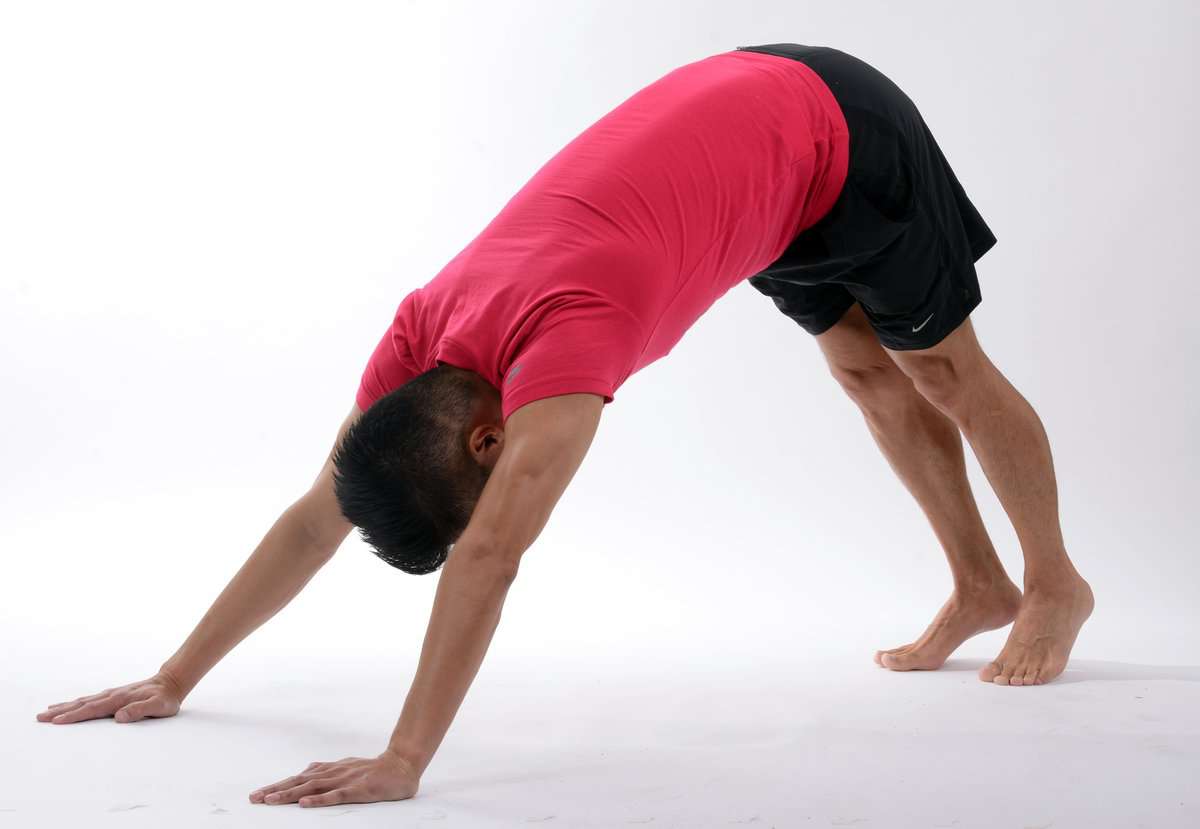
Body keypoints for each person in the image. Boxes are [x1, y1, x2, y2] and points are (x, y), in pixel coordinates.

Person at [36, 42, 1093, 807]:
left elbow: (492, 554)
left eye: (476, 491)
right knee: (866, 374)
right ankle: (979, 585)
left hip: (830, 123)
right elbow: (318, 516)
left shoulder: (572, 341)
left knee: (942, 367)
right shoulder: (420, 340)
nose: (484, 506)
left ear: (487, 445)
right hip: (754, 158)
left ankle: (1052, 582)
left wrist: (404, 758)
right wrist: (175, 677)